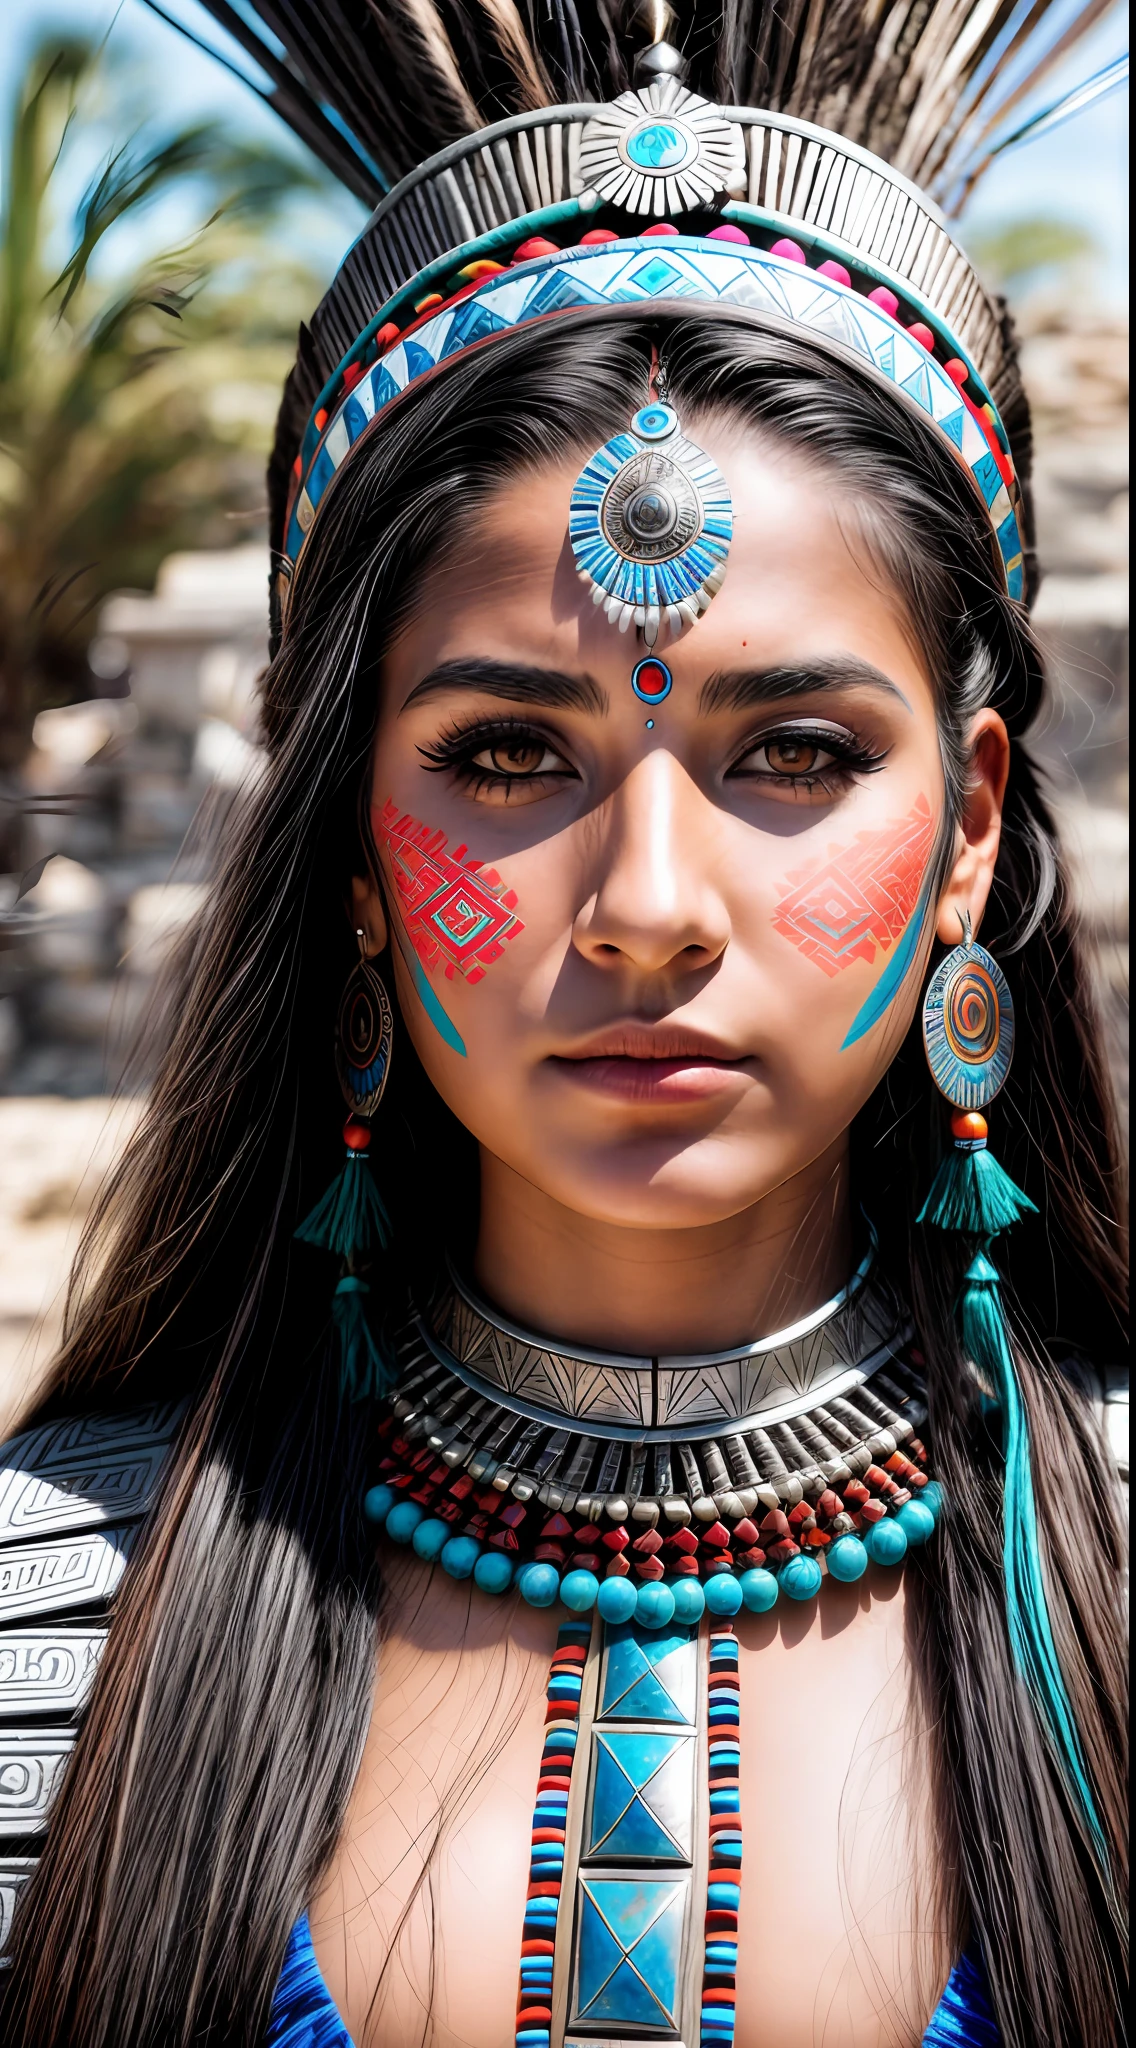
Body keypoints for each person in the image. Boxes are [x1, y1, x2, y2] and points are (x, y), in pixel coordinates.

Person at [0, 4, 1126, 2045]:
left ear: (966, 829)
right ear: (352, 836)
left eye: (792, 747)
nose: (645, 911)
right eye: (508, 753)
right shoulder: (44, 1641)